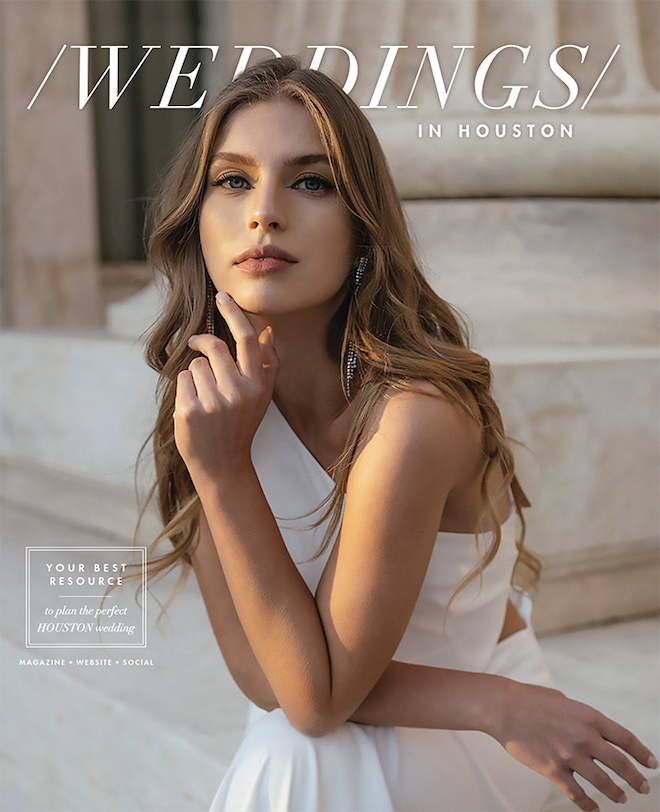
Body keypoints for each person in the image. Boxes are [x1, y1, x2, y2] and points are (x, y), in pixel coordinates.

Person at [141, 56, 656, 812]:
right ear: (197, 220)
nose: (266, 213)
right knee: (297, 741)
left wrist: (499, 706)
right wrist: (490, 703)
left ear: (362, 229)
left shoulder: (414, 415)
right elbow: (263, 676)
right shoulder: (213, 410)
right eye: (234, 180)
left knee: (299, 745)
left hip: (483, 750)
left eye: (311, 182)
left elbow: (310, 699)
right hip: (458, 714)